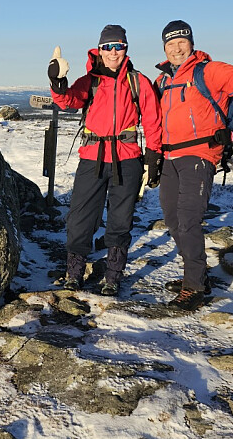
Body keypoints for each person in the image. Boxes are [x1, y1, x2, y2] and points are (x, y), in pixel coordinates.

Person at [152, 20, 233, 309]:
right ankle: (196, 274)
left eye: (181, 42)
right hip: (169, 157)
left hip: (199, 155)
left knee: (188, 219)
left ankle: (194, 287)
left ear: (191, 43)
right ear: (164, 48)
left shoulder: (209, 70)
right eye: (170, 44)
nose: (176, 48)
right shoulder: (163, 80)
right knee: (172, 220)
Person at [47, 24, 163, 295]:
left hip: (128, 159)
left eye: (118, 46)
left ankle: (113, 276)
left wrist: (153, 157)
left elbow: (153, 120)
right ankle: (74, 273)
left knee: (121, 219)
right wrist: (57, 81)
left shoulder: (138, 81)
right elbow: (67, 101)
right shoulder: (90, 81)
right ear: (99, 50)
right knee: (80, 218)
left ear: (126, 49)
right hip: (92, 158)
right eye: (108, 47)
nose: (113, 52)